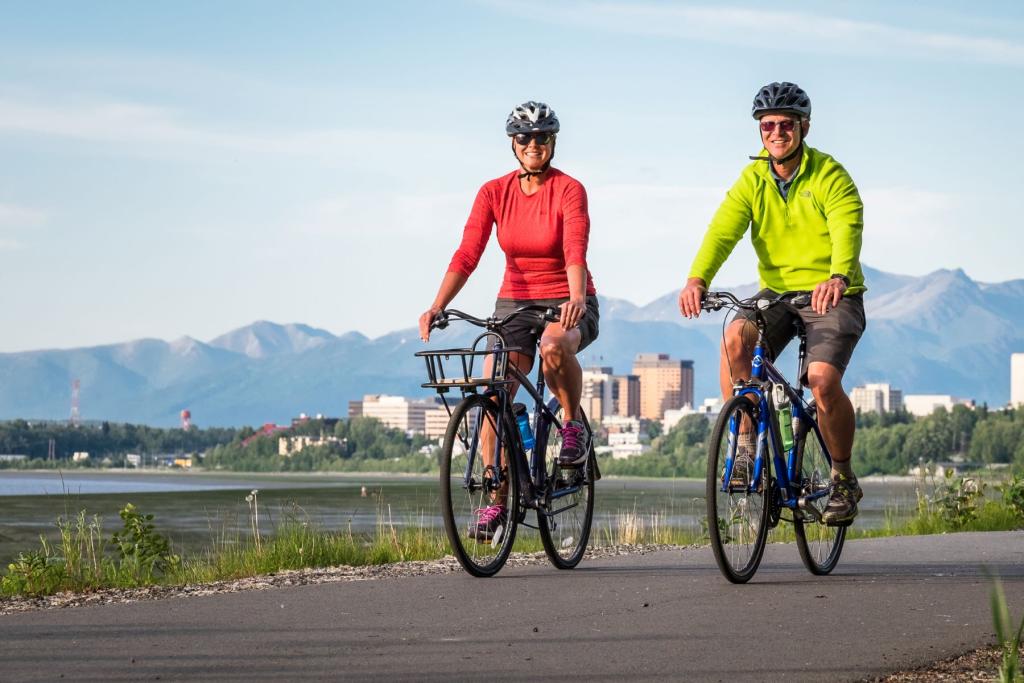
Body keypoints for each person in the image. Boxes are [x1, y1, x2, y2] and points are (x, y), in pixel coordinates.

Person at [678, 82, 866, 525]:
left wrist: (838, 275)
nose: (776, 133)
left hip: (832, 292)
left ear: (804, 127)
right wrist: (697, 279)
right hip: (777, 295)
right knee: (734, 340)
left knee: (821, 380)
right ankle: (746, 446)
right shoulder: (753, 179)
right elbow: (723, 231)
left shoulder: (829, 175)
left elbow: (848, 226)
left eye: (785, 124)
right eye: (767, 126)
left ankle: (842, 477)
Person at [419, 101, 600, 539]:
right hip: (514, 302)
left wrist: (577, 297)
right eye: (525, 137)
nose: (533, 144)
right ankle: (496, 501)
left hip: (567, 298)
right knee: (492, 394)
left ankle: (572, 427)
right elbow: (468, 253)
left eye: (541, 137)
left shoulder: (569, 189)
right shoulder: (493, 192)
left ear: (552, 141)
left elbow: (575, 248)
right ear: (513, 144)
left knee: (554, 347)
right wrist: (437, 305)